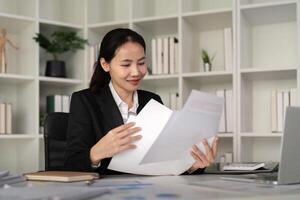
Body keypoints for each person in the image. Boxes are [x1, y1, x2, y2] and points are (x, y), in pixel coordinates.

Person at [65, 28, 218, 175]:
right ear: (105, 64)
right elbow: (71, 165)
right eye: (126, 64)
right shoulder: (84, 101)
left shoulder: (153, 100)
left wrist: (192, 166)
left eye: (141, 63)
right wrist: (95, 154)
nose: (136, 72)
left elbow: (165, 163)